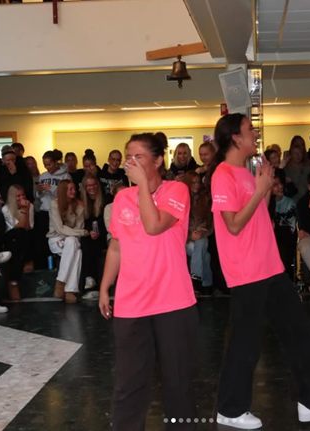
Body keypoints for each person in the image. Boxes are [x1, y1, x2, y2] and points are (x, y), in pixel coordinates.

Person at [209, 114, 310, 428]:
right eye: (249, 129)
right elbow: (233, 225)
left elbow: (258, 219)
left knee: (300, 333)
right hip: (246, 271)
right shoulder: (223, 175)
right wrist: (261, 190)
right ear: (235, 138)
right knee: (245, 342)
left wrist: (266, 189)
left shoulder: (247, 174)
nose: (255, 133)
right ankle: (230, 410)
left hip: (269, 266)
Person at [98, 132, 198, 431]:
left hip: (173, 302)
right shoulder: (122, 198)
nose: (131, 162)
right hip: (131, 303)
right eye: (128, 157)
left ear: (157, 161)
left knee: (177, 382)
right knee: (129, 382)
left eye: (138, 157)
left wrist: (142, 185)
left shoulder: (177, 191)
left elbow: (154, 225)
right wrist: (105, 287)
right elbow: (116, 247)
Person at [48, 180, 87, 304]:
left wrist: (75, 233)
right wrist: (80, 233)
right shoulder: (54, 204)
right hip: (55, 238)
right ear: (63, 191)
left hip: (72, 239)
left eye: (74, 189)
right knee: (75, 247)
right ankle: (68, 289)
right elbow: (59, 228)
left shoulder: (79, 205)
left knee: (75, 247)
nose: (74, 191)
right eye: (70, 189)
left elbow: (79, 227)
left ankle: (62, 284)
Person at [2, 184, 35, 301]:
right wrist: (24, 211)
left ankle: (27, 260)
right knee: (17, 235)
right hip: (11, 237)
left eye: (23, 195)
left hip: (25, 235)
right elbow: (18, 226)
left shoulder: (30, 206)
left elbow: (28, 226)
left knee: (26, 234)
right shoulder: (6, 209)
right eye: (18, 196)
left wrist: (26, 210)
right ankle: (13, 281)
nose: (21, 198)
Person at [183, 171, 213, 294]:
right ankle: (206, 283)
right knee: (204, 254)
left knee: (200, 245)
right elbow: (178, 222)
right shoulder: (182, 199)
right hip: (185, 237)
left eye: (198, 183)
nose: (196, 185)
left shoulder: (205, 199)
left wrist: (203, 231)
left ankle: (196, 278)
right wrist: (189, 234)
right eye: (193, 183)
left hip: (202, 235)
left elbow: (210, 222)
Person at [79, 173, 107, 300]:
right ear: (85, 187)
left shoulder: (105, 200)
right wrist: (89, 232)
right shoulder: (81, 202)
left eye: (94, 184)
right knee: (86, 243)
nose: (92, 188)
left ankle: (91, 281)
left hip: (102, 234)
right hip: (88, 235)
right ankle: (90, 280)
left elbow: (106, 222)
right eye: (89, 185)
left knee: (92, 244)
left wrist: (97, 233)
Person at [269, 175, 297, 276]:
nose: (280, 186)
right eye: (275, 185)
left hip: (286, 238)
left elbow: (291, 228)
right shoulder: (266, 204)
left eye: (280, 183)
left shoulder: (290, 203)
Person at [284, 136, 308, 202]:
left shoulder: (307, 167)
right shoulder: (286, 168)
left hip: (305, 200)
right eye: (295, 153)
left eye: (300, 153)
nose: (298, 155)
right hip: (291, 201)